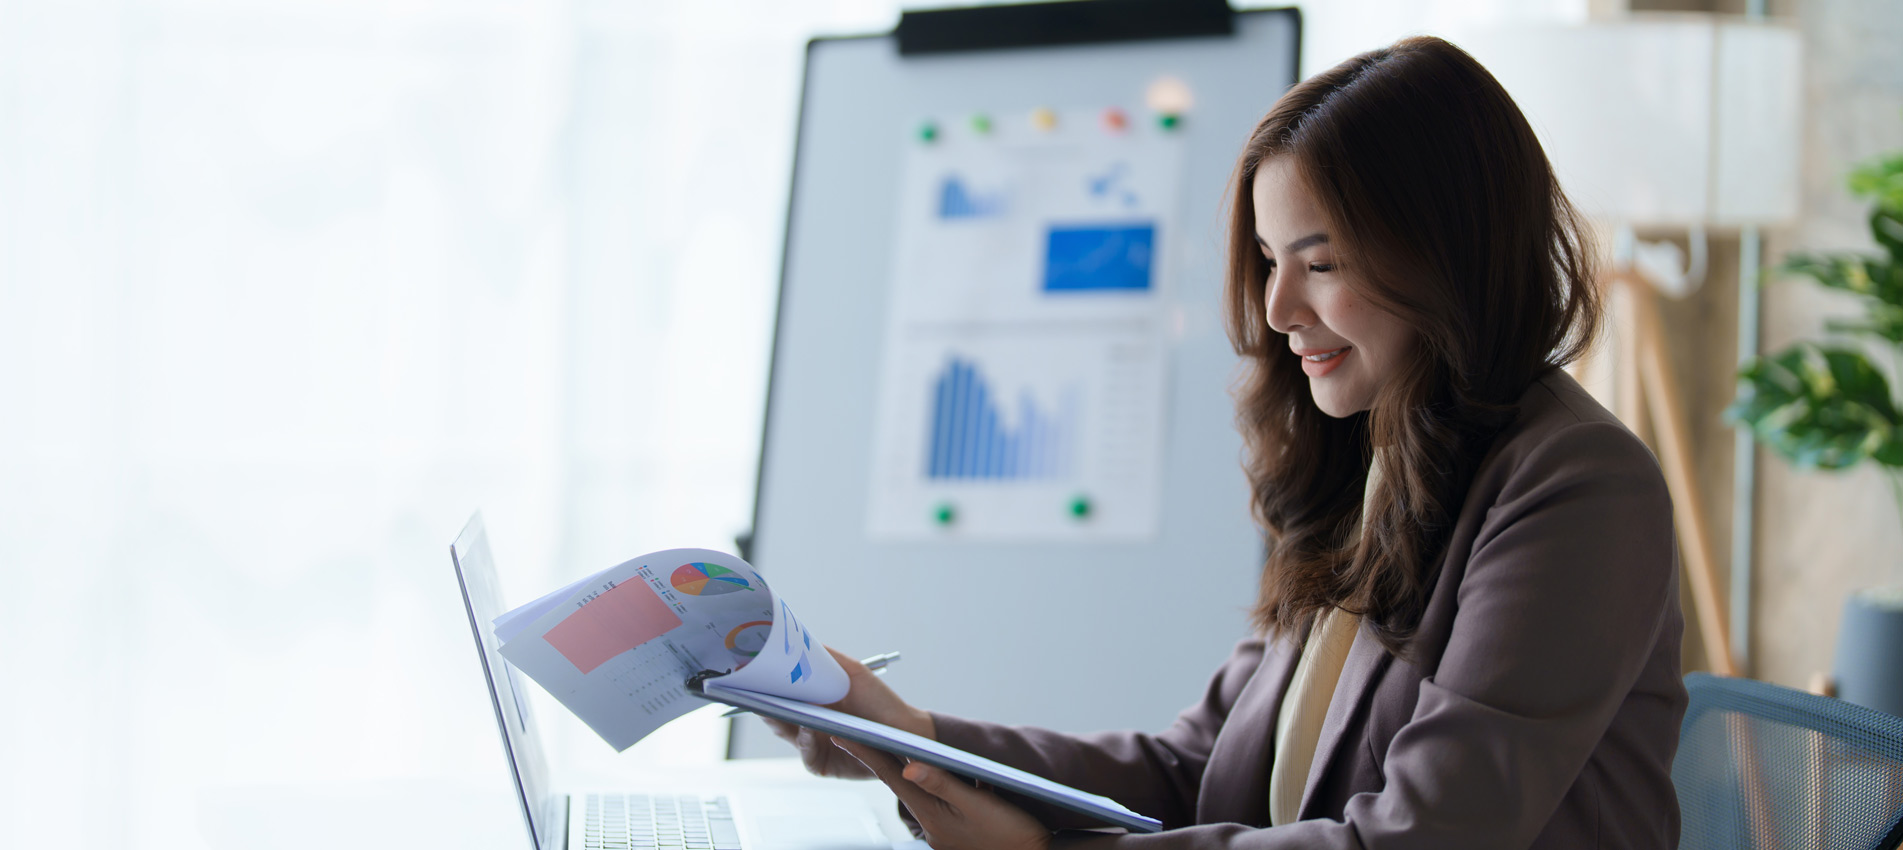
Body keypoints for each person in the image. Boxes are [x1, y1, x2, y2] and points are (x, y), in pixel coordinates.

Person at [767, 36, 1686, 850]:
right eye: (1269, 260)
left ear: (1449, 254)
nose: (1280, 310)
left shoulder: (1577, 488)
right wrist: (906, 735)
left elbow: (1427, 835)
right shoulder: (1367, 463)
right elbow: (1194, 768)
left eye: (1320, 264)